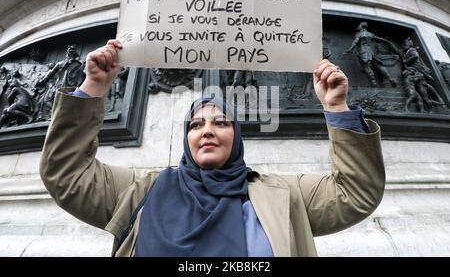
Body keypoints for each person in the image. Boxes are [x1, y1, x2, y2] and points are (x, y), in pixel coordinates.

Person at [40, 39, 385, 257]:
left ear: (237, 138)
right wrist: (94, 86)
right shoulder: (140, 190)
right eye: (196, 124)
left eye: (221, 123)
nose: (207, 131)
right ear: (187, 139)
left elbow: (355, 194)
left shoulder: (282, 194)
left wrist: (337, 108)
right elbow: (67, 175)